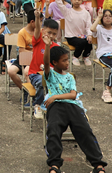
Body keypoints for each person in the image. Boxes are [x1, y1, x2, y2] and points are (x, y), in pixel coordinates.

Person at [42, 36, 107, 173]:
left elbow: (73, 95)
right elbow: (46, 63)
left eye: (67, 60)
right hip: (56, 107)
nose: (67, 63)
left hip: (73, 105)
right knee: (53, 130)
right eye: (64, 60)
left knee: (85, 131)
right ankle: (54, 166)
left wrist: (54, 96)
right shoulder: (50, 75)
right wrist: (47, 46)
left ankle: (98, 165)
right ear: (55, 62)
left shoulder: (70, 76)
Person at [55, 0, 93, 66]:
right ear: (71, 0)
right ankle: (75, 57)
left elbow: (88, 25)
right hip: (71, 36)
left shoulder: (85, 13)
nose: (77, 1)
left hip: (82, 36)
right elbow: (58, 1)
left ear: (82, 0)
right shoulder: (67, 11)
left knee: (89, 42)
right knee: (81, 43)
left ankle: (85, 56)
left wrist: (90, 35)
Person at [30, 12, 60, 119]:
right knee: (41, 81)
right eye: (49, 32)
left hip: (50, 75)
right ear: (43, 31)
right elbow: (37, 29)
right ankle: (37, 105)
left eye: (54, 34)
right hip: (35, 74)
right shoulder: (38, 41)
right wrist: (37, 17)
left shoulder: (56, 47)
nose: (51, 36)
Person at [91, 10, 112, 103]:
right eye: (105, 16)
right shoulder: (99, 28)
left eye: (110, 16)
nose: (108, 18)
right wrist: (98, 17)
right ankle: (107, 90)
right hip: (104, 54)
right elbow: (92, 29)